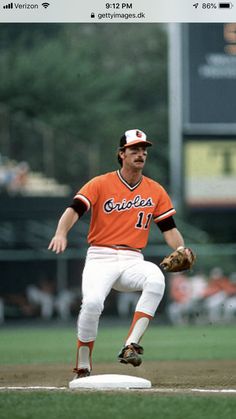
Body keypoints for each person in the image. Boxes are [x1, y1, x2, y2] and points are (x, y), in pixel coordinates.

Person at [48, 129, 190, 379]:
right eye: (134, 149)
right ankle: (83, 365)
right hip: (100, 258)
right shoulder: (100, 183)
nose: (141, 154)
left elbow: (169, 229)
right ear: (121, 154)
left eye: (144, 150)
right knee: (92, 303)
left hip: (132, 259)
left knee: (156, 278)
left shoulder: (155, 190)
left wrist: (180, 248)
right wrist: (61, 233)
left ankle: (130, 346)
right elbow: (74, 210)